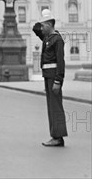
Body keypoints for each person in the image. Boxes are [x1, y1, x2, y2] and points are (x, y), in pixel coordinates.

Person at [32, 9, 67, 147]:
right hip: (47, 76)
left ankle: (58, 137)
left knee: (55, 107)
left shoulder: (57, 39)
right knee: (51, 107)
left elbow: (60, 61)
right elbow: (35, 28)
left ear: (49, 25)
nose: (41, 28)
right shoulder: (47, 38)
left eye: (43, 25)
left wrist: (58, 80)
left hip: (54, 77)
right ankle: (55, 135)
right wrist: (42, 20)